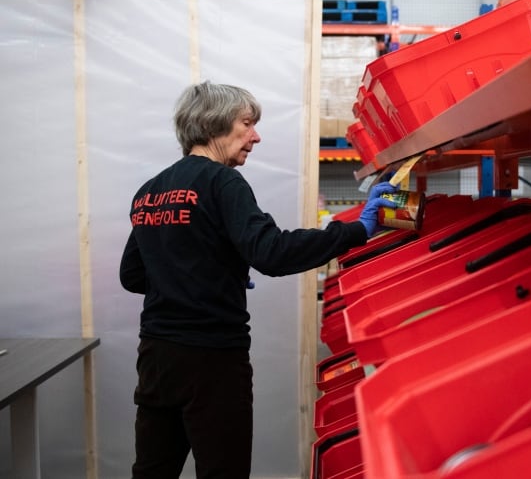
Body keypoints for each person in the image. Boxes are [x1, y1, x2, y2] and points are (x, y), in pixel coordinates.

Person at [119, 81, 397, 478]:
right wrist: (356, 230)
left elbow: (132, 275)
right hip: (212, 359)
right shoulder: (222, 182)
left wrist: (205, 273)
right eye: (247, 124)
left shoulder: (150, 192)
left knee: (152, 470)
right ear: (215, 123)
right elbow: (272, 252)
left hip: (156, 357)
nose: (256, 136)